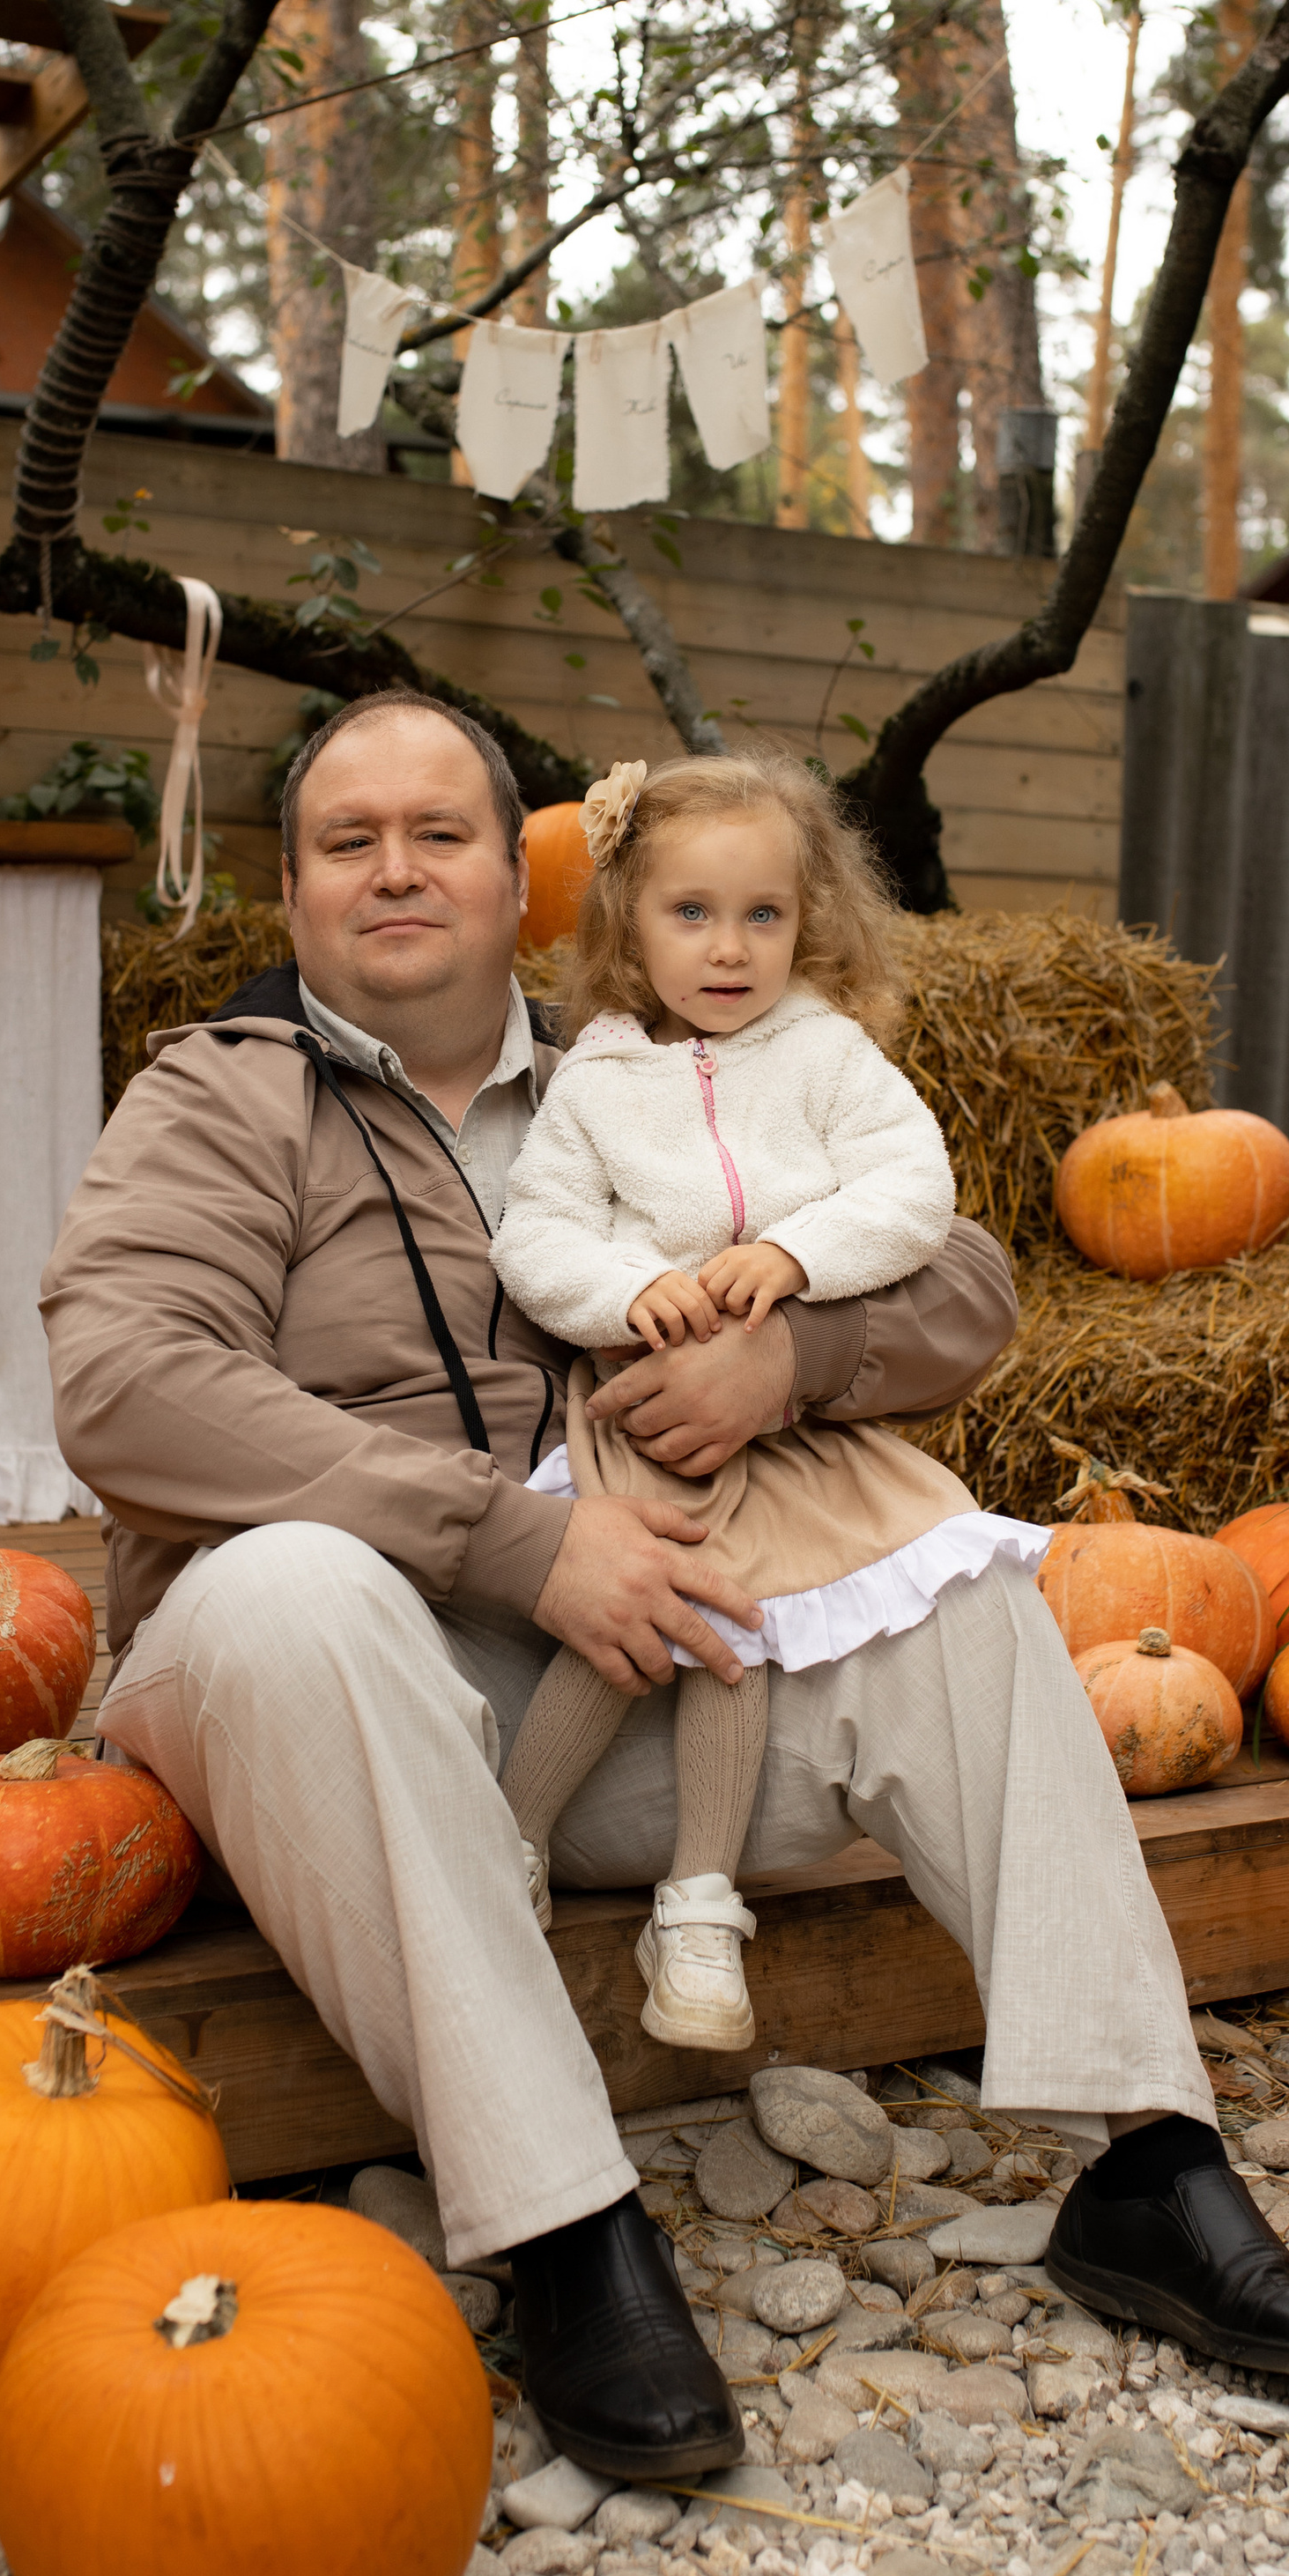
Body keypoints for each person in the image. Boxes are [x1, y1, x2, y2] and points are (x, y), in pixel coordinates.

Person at [41, 688, 1289, 2486]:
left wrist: (795, 1357)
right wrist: (506, 1536)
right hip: (323, 1697)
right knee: (299, 1586)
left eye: (437, 831)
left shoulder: (652, 1058)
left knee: (951, 1589)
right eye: (343, 839)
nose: (393, 870)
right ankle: (564, 2235)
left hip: (607, 1687)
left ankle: (1151, 2167)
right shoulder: (222, 1096)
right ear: (287, 892)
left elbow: (969, 1281)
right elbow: (123, 1383)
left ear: (520, 878)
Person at [491, 744, 1045, 2054]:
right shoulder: (598, 1082)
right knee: (634, 1623)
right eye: (691, 913)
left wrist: (796, 1265)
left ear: (812, 923)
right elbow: (539, 1239)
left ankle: (698, 1905)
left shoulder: (829, 1059)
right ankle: (503, 1844)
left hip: (784, 1425)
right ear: (627, 919)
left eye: (764, 915)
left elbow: (914, 1194)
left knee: (740, 1629)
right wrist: (631, 1293)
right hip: (644, 1408)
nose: (729, 948)